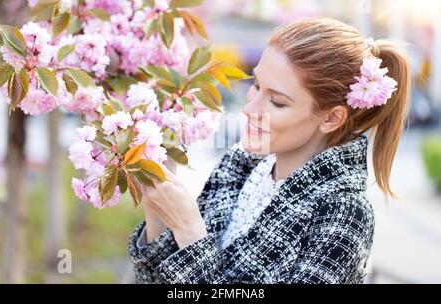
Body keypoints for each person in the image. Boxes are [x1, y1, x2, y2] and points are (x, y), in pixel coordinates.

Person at [127, 18, 411, 284]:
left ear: (330, 118)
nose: (250, 108)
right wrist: (158, 198)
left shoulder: (344, 213)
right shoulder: (240, 166)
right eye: (256, 85)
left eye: (276, 101)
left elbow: (193, 256)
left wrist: (189, 230)